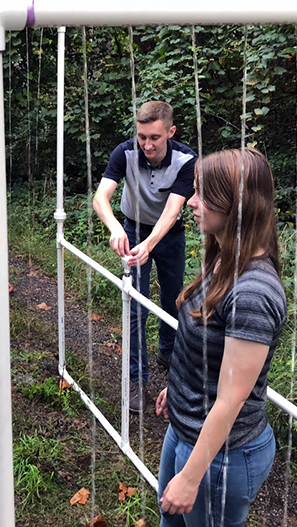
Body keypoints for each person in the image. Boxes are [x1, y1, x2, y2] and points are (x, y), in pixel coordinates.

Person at [155, 147, 287, 527]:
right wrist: (179, 388)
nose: (191, 203)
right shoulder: (223, 257)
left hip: (221, 458)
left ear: (237, 204)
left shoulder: (253, 293)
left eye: (202, 194)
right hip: (188, 433)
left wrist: (191, 477)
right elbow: (208, 352)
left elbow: (231, 399)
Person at [93, 101, 197, 413]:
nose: (147, 145)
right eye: (142, 137)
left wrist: (150, 244)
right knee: (136, 305)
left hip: (169, 235)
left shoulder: (186, 159)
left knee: (173, 299)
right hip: (132, 228)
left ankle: (168, 351)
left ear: (171, 132)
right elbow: (101, 197)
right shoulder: (124, 152)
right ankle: (136, 380)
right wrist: (114, 227)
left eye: (154, 137)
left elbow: (173, 210)